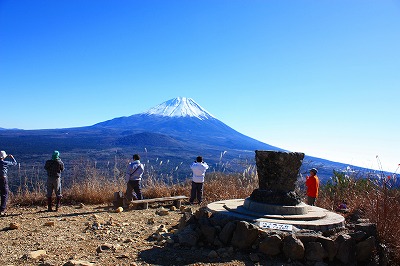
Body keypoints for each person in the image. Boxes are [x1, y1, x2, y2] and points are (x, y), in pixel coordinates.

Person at [0, 151, 17, 216]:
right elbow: (14, 163)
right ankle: (2, 209)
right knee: (4, 193)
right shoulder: (5, 163)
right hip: (3, 179)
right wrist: (12, 157)